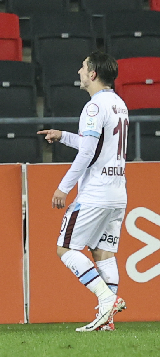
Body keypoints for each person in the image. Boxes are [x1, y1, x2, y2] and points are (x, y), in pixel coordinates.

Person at [38, 51, 127, 332]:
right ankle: (107, 320)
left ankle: (107, 299)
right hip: (117, 192)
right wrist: (63, 136)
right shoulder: (119, 104)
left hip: (96, 193)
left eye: (83, 67)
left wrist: (63, 187)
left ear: (93, 74)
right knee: (103, 252)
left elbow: (88, 152)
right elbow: (97, 145)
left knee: (66, 248)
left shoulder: (93, 107)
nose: (79, 71)